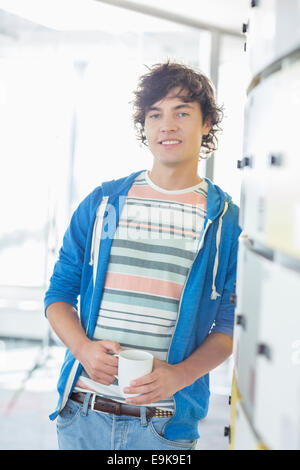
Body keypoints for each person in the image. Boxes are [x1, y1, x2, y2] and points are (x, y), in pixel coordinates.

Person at [44, 61, 241, 450]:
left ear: (206, 125)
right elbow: (58, 295)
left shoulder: (224, 221)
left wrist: (180, 375)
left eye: (182, 112)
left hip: (163, 429)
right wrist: (82, 348)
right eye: (156, 115)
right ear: (145, 127)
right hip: (83, 414)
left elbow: (230, 324)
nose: (167, 125)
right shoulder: (103, 203)